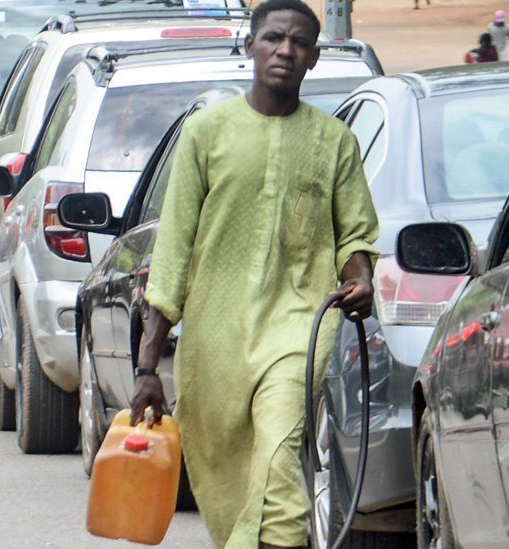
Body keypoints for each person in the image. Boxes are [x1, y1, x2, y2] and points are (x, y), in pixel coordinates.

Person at [129, 0, 379, 547]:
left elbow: (355, 236)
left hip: (296, 329)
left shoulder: (335, 142)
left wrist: (360, 278)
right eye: (272, 38)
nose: (284, 50)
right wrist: (148, 366)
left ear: (313, 57)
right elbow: (173, 252)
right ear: (250, 46)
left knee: (279, 459)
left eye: (298, 42)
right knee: (233, 486)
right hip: (213, 344)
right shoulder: (206, 133)